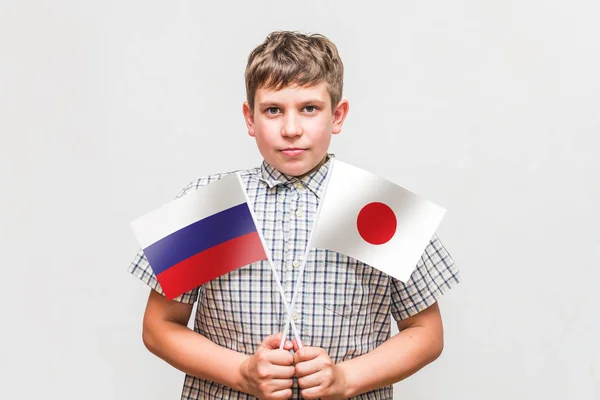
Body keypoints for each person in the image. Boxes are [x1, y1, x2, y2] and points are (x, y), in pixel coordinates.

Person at [128, 30, 460, 400]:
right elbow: (158, 326)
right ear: (249, 118)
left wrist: (347, 379)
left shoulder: (377, 205)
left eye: (309, 108)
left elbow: (427, 332)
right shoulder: (212, 202)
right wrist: (240, 373)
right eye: (273, 110)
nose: (291, 129)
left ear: (337, 115)